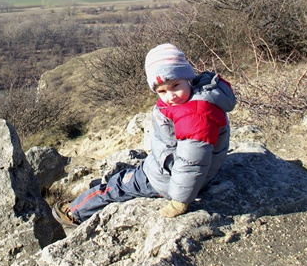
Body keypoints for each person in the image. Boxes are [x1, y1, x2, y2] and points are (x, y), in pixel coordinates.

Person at [52, 43, 236, 226]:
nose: (170, 95)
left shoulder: (194, 114)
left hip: (167, 180)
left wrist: (180, 201)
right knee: (121, 178)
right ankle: (96, 192)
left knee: (116, 187)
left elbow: (191, 162)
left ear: (188, 78)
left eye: (175, 85)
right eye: (162, 91)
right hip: (165, 166)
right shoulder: (196, 97)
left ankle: (75, 212)